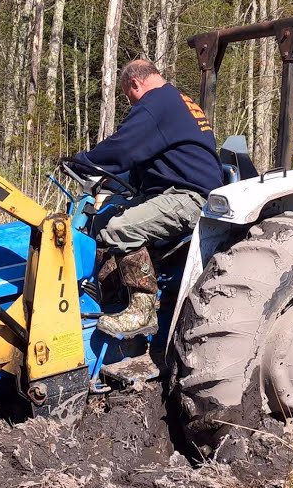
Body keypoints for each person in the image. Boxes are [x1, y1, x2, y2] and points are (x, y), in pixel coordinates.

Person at [71, 59, 223, 339]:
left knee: (120, 228)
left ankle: (142, 311)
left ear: (135, 84)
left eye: (128, 98)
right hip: (173, 189)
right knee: (101, 220)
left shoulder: (157, 102)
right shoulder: (176, 101)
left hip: (190, 196)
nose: (131, 104)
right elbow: (153, 156)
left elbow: (125, 147)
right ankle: (108, 290)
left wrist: (84, 162)